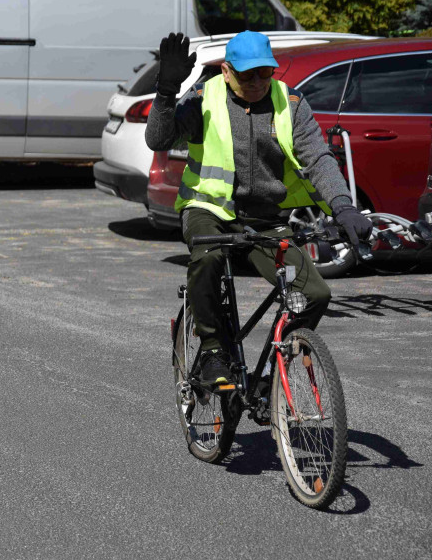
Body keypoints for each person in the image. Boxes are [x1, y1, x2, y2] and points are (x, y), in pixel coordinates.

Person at [146, 30, 372, 391]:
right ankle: (213, 351)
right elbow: (158, 139)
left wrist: (343, 208)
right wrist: (166, 93)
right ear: (226, 70)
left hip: (266, 219)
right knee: (208, 259)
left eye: (264, 73)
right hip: (209, 209)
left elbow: (319, 160)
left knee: (315, 294)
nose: (256, 82)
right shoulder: (205, 98)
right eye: (247, 74)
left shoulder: (291, 103)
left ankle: (274, 371)